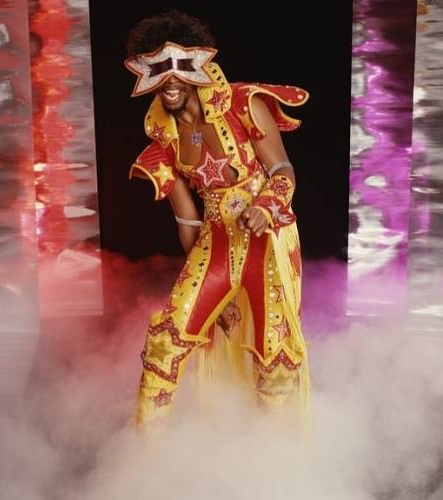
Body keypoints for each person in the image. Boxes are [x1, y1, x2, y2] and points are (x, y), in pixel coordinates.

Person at [125, 10, 309, 426]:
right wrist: (218, 299)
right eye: (157, 72)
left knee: (275, 349)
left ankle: (274, 455)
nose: (168, 83)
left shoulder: (244, 103)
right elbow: (187, 220)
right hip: (215, 244)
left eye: (175, 70)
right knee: (165, 341)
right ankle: (144, 454)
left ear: (196, 66)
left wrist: (265, 207)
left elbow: (283, 171)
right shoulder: (164, 139)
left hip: (269, 240)